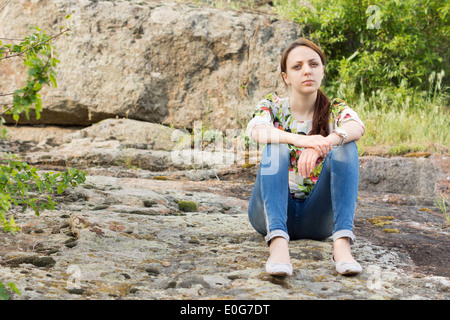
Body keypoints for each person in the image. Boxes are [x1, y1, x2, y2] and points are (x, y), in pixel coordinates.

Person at [246, 38, 365, 276]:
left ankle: (342, 246)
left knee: (346, 145)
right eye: (297, 66)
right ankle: (278, 245)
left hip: (316, 219)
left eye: (313, 64)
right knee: (275, 146)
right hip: (269, 214)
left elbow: (356, 126)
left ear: (323, 71)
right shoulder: (273, 106)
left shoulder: (334, 109)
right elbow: (256, 130)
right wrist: (301, 140)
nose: (307, 71)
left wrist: (321, 145)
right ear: (285, 77)